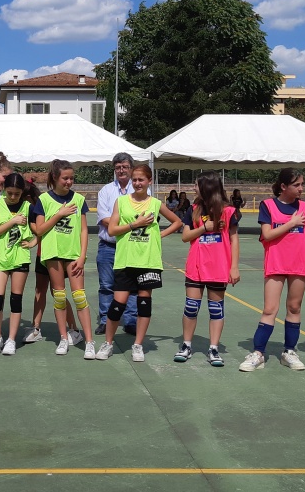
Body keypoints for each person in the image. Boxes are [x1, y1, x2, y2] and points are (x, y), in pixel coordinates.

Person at [98, 165, 183, 362]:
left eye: (141, 180)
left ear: (149, 181)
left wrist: (159, 235)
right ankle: (108, 343)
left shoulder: (155, 203)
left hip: (148, 261)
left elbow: (177, 222)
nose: (137, 183)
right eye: (134, 180)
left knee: (144, 304)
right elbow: (111, 230)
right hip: (126, 260)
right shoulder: (121, 202)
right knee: (117, 304)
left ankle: (138, 344)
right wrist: (134, 225)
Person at [239, 169, 305, 372]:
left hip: (299, 262)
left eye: (302, 184)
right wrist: (291, 223)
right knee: (269, 309)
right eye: (297, 185)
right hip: (276, 262)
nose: (301, 189)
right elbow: (268, 234)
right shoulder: (268, 205)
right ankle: (258, 353)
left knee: (294, 307)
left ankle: (289, 352)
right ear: (283, 186)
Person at [174, 170, 240, 367]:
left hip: (219, 267)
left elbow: (234, 240)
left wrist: (234, 267)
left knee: (216, 309)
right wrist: (204, 227)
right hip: (196, 265)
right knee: (191, 307)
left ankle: (213, 348)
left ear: (207, 187)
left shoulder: (228, 211)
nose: (193, 188)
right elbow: (185, 237)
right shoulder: (193, 209)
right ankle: (186, 345)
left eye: (196, 185)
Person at [32, 159, 96, 358]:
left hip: (73, 254)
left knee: (79, 297)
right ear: (55, 178)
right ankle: (63, 338)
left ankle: (89, 341)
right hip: (53, 253)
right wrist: (59, 214)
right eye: (65, 178)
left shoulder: (78, 199)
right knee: (59, 296)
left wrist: (83, 255)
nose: (69, 182)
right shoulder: (44, 200)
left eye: (71, 178)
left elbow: (84, 230)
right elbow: (40, 230)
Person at [0, 173, 39, 355]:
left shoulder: (28, 207)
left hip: (20, 259)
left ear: (22, 192)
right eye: (10, 193)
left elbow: (39, 229)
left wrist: (33, 241)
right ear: (4, 190)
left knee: (16, 300)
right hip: (0, 259)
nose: (13, 197)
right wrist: (13, 221)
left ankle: (11, 340)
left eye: (17, 193)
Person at [95, 153, 142, 336]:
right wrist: (130, 223)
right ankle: (105, 320)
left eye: (124, 167)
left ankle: (130, 321)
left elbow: (143, 217)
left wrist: (119, 223)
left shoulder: (139, 189)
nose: (121, 170)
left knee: (132, 286)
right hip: (108, 246)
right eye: (117, 167)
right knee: (106, 285)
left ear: (131, 168)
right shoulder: (106, 191)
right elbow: (104, 218)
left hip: (131, 245)